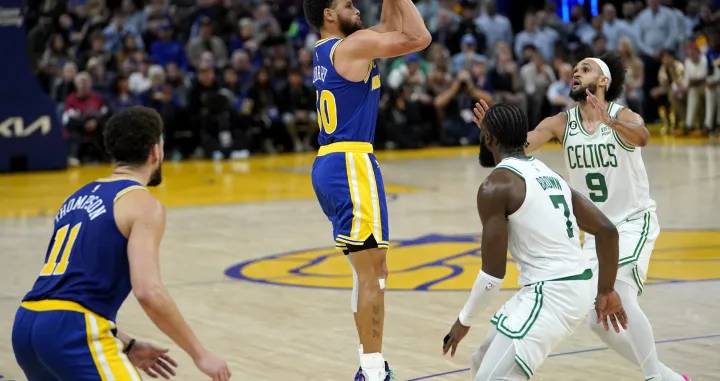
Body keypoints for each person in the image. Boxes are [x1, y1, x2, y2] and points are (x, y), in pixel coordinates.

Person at [473, 52, 691, 381]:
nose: (576, 73)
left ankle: (655, 378)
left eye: (585, 69)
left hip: (632, 221)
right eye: (574, 69)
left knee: (619, 290)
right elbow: (521, 146)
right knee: (597, 319)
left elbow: (643, 137)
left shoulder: (621, 114)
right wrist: (495, 131)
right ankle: (670, 377)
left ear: (603, 81)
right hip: (594, 233)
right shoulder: (561, 123)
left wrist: (611, 122)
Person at [11, 106, 231, 381]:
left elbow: (64, 291)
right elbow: (148, 291)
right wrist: (201, 354)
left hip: (26, 324)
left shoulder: (75, 198)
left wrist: (125, 342)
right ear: (155, 151)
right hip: (73, 331)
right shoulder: (143, 204)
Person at [442, 103, 628, 380]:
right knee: (481, 361)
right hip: (564, 285)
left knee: (491, 378)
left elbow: (492, 276)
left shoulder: (495, 187)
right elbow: (607, 231)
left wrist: (463, 321)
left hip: (553, 292)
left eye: (484, 135)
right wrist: (605, 290)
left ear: (489, 139)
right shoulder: (549, 175)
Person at [302, 0, 431, 379]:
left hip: (332, 162)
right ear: (328, 14)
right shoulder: (351, 47)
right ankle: (373, 372)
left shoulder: (333, 49)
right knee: (373, 272)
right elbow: (419, 37)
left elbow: (391, 23)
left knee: (370, 270)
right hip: (351, 162)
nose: (356, 7)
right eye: (348, 4)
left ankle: (369, 364)